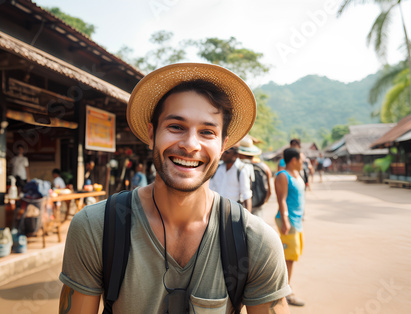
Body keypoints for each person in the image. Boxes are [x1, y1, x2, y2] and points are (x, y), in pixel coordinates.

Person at [59, 63, 291, 313]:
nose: (191, 145)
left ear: (223, 145)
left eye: (207, 132)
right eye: (176, 127)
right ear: (151, 134)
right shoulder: (97, 228)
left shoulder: (256, 242)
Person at [274, 148, 306, 307]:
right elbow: (282, 199)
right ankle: (286, 292)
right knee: (288, 258)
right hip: (289, 221)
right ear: (293, 160)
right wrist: (286, 220)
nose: (303, 162)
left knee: (292, 256)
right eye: (301, 159)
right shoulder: (283, 176)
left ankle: (285, 288)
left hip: (297, 220)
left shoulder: (298, 175)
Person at [210, 144, 253, 212]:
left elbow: (246, 195)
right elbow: (210, 189)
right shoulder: (218, 168)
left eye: (227, 152)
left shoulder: (241, 170)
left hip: (233, 210)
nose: (223, 154)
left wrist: (247, 219)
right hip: (216, 209)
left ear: (235, 154)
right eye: (223, 151)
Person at [237, 135, 272, 217]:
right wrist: (260, 203)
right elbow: (269, 192)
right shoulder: (264, 167)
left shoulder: (236, 167)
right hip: (258, 208)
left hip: (238, 207)